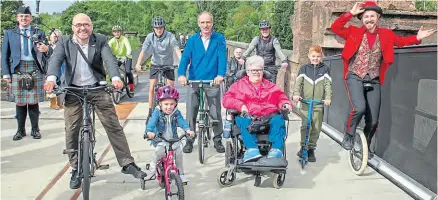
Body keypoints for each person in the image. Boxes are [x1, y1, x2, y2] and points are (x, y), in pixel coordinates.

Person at [44, 13, 146, 189]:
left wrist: (115, 77)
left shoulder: (100, 40)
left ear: (91, 26)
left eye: (86, 24)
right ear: (72, 27)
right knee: (71, 128)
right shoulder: (65, 42)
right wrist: (51, 78)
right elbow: (55, 60)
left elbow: (110, 60)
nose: (82, 28)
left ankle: (127, 163)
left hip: (96, 88)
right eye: (78, 25)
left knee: (112, 124)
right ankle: (75, 167)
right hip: (73, 90)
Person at [330, 1, 436, 153]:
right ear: (362, 19)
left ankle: (364, 146)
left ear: (378, 17)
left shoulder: (386, 34)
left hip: (373, 78)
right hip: (355, 75)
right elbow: (335, 28)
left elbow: (400, 42)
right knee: (359, 108)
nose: (369, 19)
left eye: (372, 16)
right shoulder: (353, 32)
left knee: (373, 121)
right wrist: (349, 14)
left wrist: (417, 37)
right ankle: (349, 135)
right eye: (365, 17)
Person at [222, 55, 292, 162]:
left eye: (259, 70)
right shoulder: (238, 85)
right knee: (243, 120)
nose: (257, 73)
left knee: (279, 119)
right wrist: (240, 105)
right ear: (248, 71)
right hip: (249, 116)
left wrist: (285, 104)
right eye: (253, 70)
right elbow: (226, 99)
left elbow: (281, 97)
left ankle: (276, 150)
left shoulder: (270, 85)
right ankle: (252, 149)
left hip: (268, 117)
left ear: (263, 71)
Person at [177, 11, 227, 153]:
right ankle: (190, 139)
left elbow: (222, 58)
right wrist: (181, 74)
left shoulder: (219, 39)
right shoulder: (192, 40)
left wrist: (220, 75)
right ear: (199, 24)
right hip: (194, 80)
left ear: (212, 23)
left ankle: (217, 139)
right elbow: (185, 58)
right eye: (203, 22)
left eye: (208, 22)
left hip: (212, 81)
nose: (206, 25)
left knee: (215, 111)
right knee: (191, 110)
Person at [1, 6, 50, 141]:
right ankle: (20, 130)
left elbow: (45, 53)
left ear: (31, 18)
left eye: (26, 16)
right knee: (20, 102)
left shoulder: (39, 32)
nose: (24, 18)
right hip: (17, 69)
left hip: (34, 68)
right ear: (17, 18)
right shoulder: (10, 33)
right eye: (21, 16)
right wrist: (6, 74)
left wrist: (46, 49)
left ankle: (35, 129)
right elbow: (5, 55)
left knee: (33, 101)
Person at [144, 85, 195, 183]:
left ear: (176, 103)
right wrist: (149, 131)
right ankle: (152, 166)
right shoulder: (157, 112)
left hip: (173, 139)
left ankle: (181, 174)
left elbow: (181, 121)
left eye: (172, 104)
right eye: (166, 104)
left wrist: (187, 130)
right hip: (161, 139)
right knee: (158, 152)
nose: (169, 107)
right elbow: (152, 122)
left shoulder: (176, 112)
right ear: (160, 103)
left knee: (179, 155)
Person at [135, 16, 182, 122]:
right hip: (155, 64)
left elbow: (176, 49)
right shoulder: (150, 37)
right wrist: (138, 63)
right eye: (156, 28)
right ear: (153, 28)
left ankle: (173, 112)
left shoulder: (170, 36)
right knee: (151, 87)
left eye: (161, 27)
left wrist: (181, 63)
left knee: (171, 89)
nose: (159, 30)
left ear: (164, 27)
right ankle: (150, 111)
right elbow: (143, 51)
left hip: (168, 64)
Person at [292, 45, 332, 162]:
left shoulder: (325, 69)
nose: (315, 58)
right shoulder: (304, 68)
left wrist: (328, 97)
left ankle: (311, 149)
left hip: (318, 104)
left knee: (316, 127)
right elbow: (298, 83)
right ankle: (303, 146)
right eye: (313, 56)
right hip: (305, 102)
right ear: (309, 56)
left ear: (321, 57)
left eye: (318, 56)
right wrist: (296, 94)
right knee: (305, 126)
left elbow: (328, 85)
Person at [238, 20, 288, 84]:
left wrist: (284, 61)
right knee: (256, 84)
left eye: (266, 29)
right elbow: (250, 49)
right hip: (259, 66)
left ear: (269, 29)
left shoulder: (274, 40)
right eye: (262, 29)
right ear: (260, 30)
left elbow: (279, 50)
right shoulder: (256, 39)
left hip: (270, 66)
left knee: (271, 85)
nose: (265, 31)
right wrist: (243, 57)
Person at [108, 25, 135, 96]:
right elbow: (107, 50)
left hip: (127, 57)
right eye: (115, 32)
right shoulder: (111, 41)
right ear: (113, 33)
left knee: (128, 71)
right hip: (117, 58)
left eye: (118, 32)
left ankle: (132, 88)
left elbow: (129, 48)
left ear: (120, 32)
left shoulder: (124, 39)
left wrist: (126, 55)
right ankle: (115, 86)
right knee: (113, 70)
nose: (117, 33)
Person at [47, 29, 65, 110]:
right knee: (52, 85)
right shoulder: (47, 46)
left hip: (62, 68)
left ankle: (60, 102)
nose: (56, 38)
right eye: (54, 36)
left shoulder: (62, 46)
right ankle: (53, 103)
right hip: (50, 67)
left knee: (61, 85)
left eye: (58, 36)